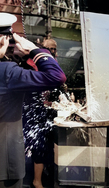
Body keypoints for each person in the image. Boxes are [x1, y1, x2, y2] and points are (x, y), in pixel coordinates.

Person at [0, 13, 66, 188]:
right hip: (4, 164)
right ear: (4, 41)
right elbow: (56, 76)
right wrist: (35, 50)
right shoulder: (7, 72)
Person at [23, 38, 59, 188]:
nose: (50, 51)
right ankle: (36, 181)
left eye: (53, 49)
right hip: (35, 114)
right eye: (47, 48)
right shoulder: (31, 66)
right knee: (40, 146)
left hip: (48, 114)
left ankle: (42, 174)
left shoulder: (53, 65)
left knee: (46, 146)